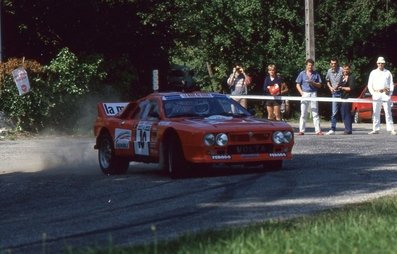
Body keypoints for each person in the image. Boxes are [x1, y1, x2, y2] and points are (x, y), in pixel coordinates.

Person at [367, 56, 396, 135]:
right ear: (377, 63)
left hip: (385, 94)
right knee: (376, 112)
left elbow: (391, 84)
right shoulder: (373, 72)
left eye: (382, 63)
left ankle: (391, 129)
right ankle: (375, 129)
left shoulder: (388, 72)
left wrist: (389, 94)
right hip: (376, 93)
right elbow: (369, 85)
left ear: (384, 64)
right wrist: (373, 93)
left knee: (388, 111)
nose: (380, 64)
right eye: (379, 63)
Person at [295, 58, 323, 135]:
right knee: (303, 113)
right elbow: (297, 84)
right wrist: (301, 93)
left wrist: (313, 83)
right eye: (309, 65)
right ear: (306, 65)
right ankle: (301, 130)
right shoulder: (302, 73)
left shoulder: (316, 74)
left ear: (313, 66)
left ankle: (318, 130)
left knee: (315, 112)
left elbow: (320, 85)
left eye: (311, 65)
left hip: (313, 93)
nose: (310, 67)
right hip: (305, 93)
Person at [338, 64, 358, 134]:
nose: (345, 70)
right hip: (342, 97)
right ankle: (346, 128)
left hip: (348, 98)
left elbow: (351, 88)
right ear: (342, 69)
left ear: (349, 70)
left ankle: (348, 130)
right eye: (344, 69)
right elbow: (339, 85)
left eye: (347, 69)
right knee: (343, 113)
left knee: (347, 113)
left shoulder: (351, 77)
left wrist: (343, 88)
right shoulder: (342, 77)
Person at [325, 58, 344, 135]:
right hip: (334, 94)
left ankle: (347, 129)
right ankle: (333, 129)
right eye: (332, 63)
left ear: (337, 63)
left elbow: (345, 79)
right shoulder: (329, 71)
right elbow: (327, 81)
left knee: (344, 112)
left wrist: (338, 86)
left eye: (335, 63)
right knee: (334, 112)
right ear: (330, 64)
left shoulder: (341, 70)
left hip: (342, 93)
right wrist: (330, 88)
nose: (333, 65)